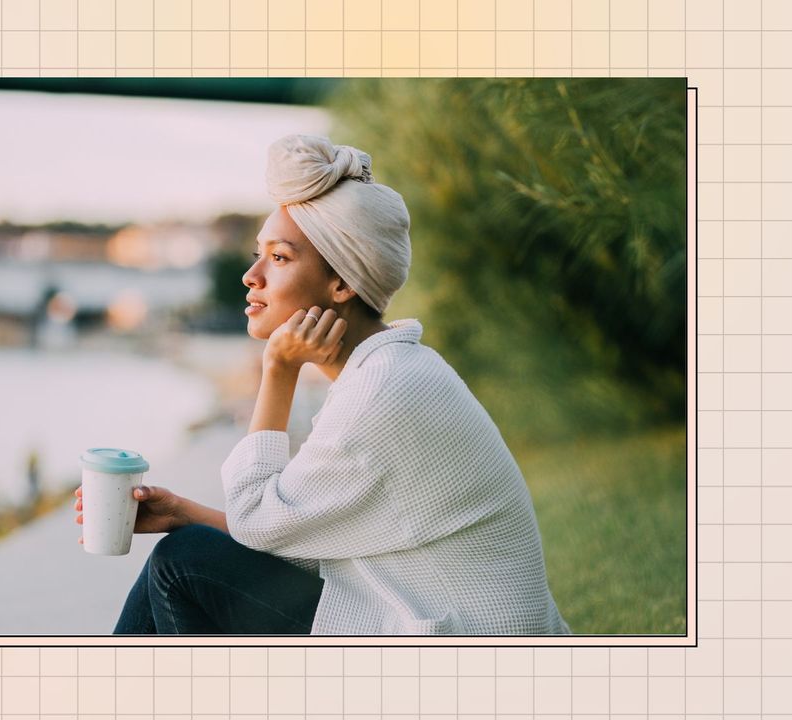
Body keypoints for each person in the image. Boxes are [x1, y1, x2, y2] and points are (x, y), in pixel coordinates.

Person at [75, 134, 571, 635]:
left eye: (280, 258)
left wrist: (279, 370)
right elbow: (298, 538)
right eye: (257, 254)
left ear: (342, 283)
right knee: (183, 556)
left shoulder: (383, 393)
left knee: (182, 563)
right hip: (442, 628)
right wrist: (183, 511)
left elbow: (255, 519)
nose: (252, 276)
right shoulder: (391, 372)